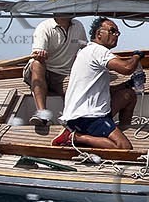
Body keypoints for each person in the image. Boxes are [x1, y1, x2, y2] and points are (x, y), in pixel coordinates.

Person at [53, 16, 141, 151]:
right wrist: (136, 56)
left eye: (117, 32)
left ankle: (120, 131)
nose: (116, 35)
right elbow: (127, 68)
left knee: (128, 95)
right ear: (99, 34)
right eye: (112, 31)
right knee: (124, 147)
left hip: (82, 114)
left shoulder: (86, 51)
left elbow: (103, 91)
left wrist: (128, 84)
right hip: (88, 117)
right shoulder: (98, 50)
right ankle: (74, 137)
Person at [22, 14, 86, 129]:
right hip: (44, 70)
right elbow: (38, 52)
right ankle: (42, 115)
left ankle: (72, 120)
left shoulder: (78, 26)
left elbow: (85, 48)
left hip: (63, 74)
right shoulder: (45, 27)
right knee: (37, 64)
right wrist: (41, 53)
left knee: (73, 91)